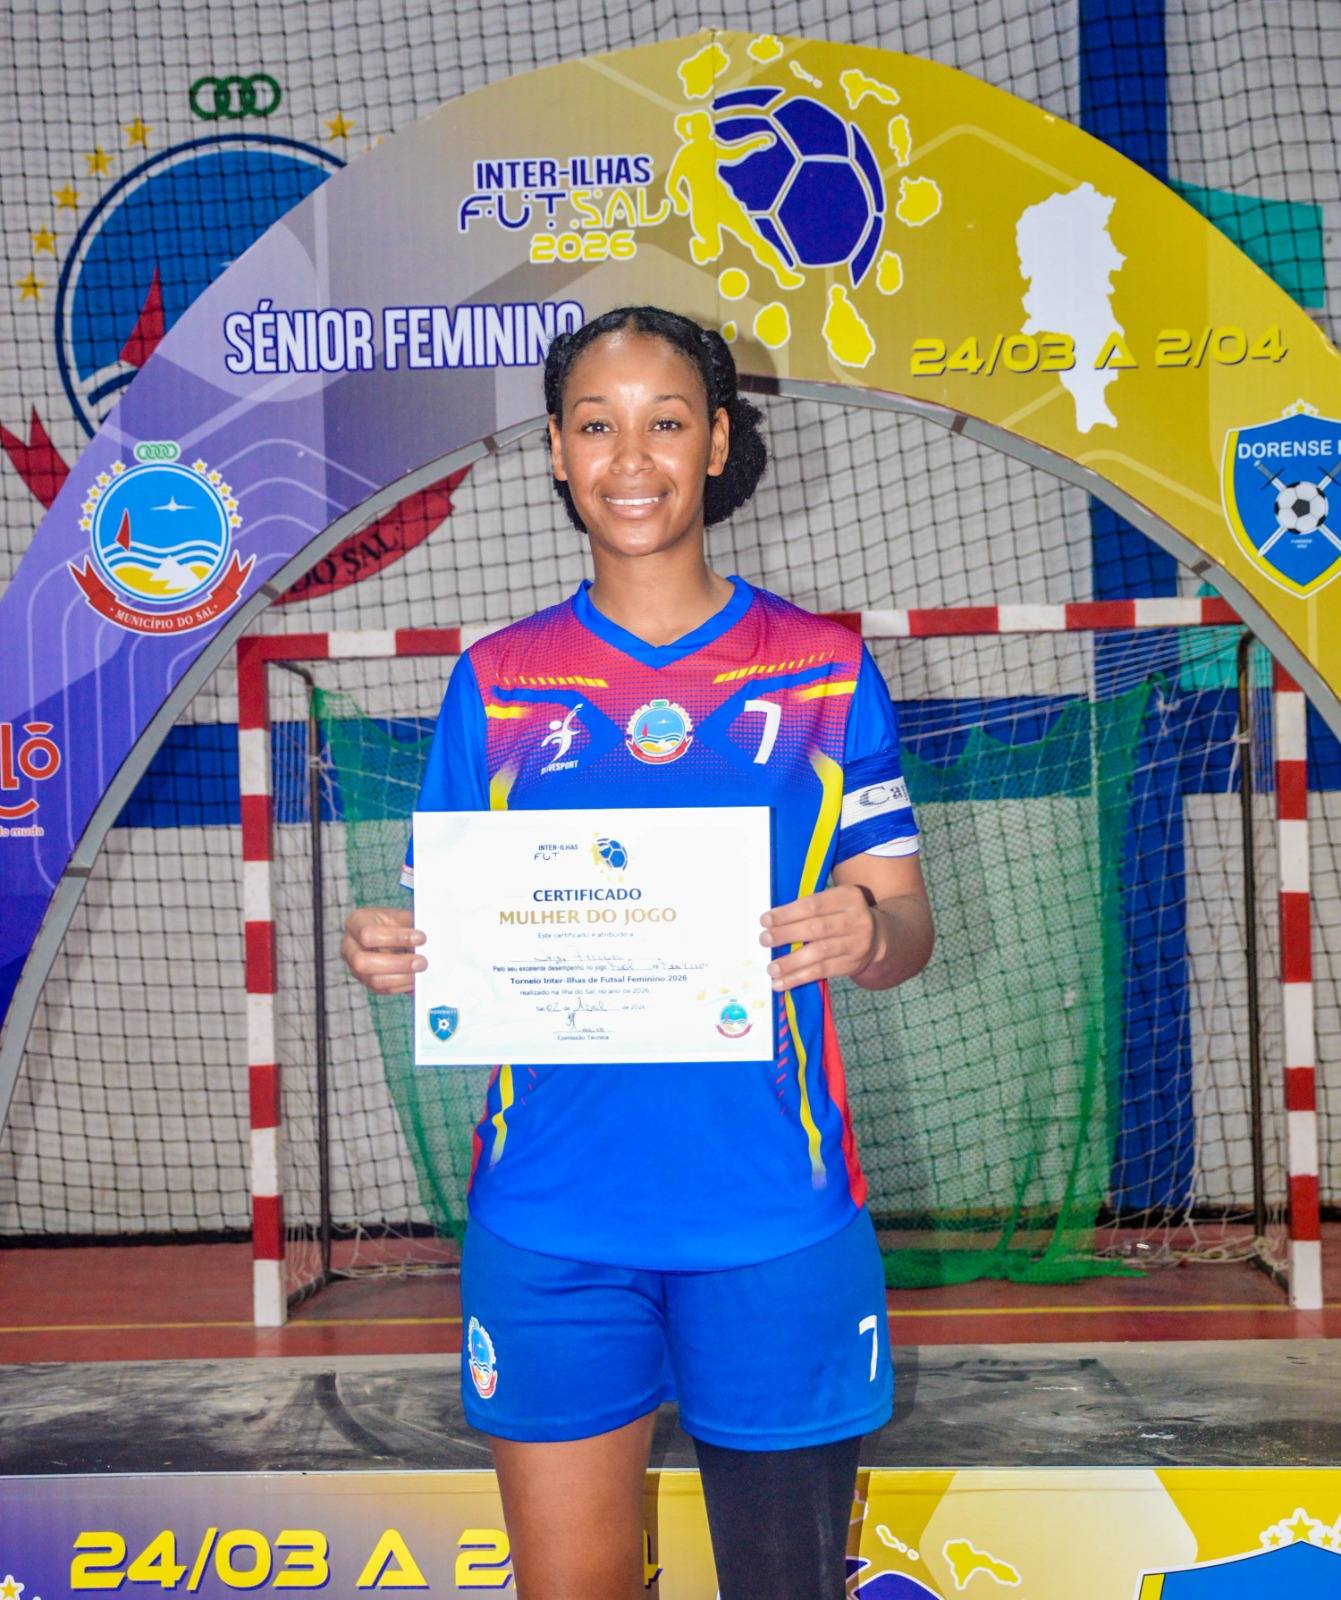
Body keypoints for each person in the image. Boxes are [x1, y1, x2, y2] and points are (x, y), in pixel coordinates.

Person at [341, 305, 934, 1600]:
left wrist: (866, 928)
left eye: (664, 423)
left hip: (772, 1211)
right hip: (552, 1221)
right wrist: (390, 948)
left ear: (715, 441)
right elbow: (447, 931)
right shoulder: (497, 682)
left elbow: (906, 932)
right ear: (557, 451)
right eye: (596, 425)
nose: (631, 458)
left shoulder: (825, 671)